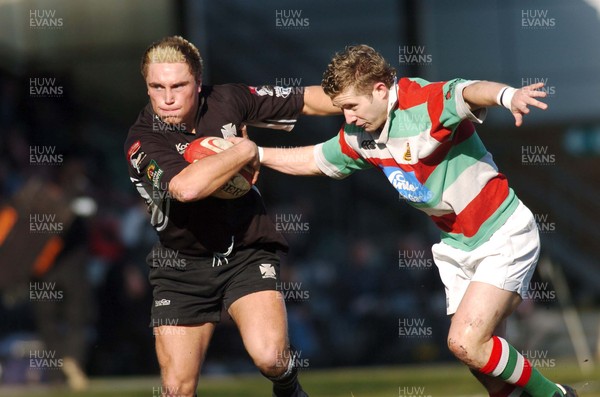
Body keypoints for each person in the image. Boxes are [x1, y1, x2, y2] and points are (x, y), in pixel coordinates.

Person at [258, 44, 577, 397]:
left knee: (465, 342)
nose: (348, 118)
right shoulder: (361, 135)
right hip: (457, 245)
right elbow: (316, 159)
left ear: (380, 89)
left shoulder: (422, 102)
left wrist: (507, 95)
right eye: (342, 109)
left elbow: (468, 90)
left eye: (351, 106)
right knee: (480, 361)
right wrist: (256, 154)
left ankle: (557, 395)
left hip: (501, 231)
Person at [124, 36, 339, 397]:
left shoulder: (228, 99)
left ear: (198, 80)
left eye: (179, 85)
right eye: (156, 87)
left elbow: (306, 99)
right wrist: (244, 151)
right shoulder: (143, 139)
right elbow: (187, 188)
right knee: (177, 389)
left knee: (271, 357)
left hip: (246, 250)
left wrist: (375, 101)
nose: (167, 98)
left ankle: (289, 388)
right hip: (181, 266)